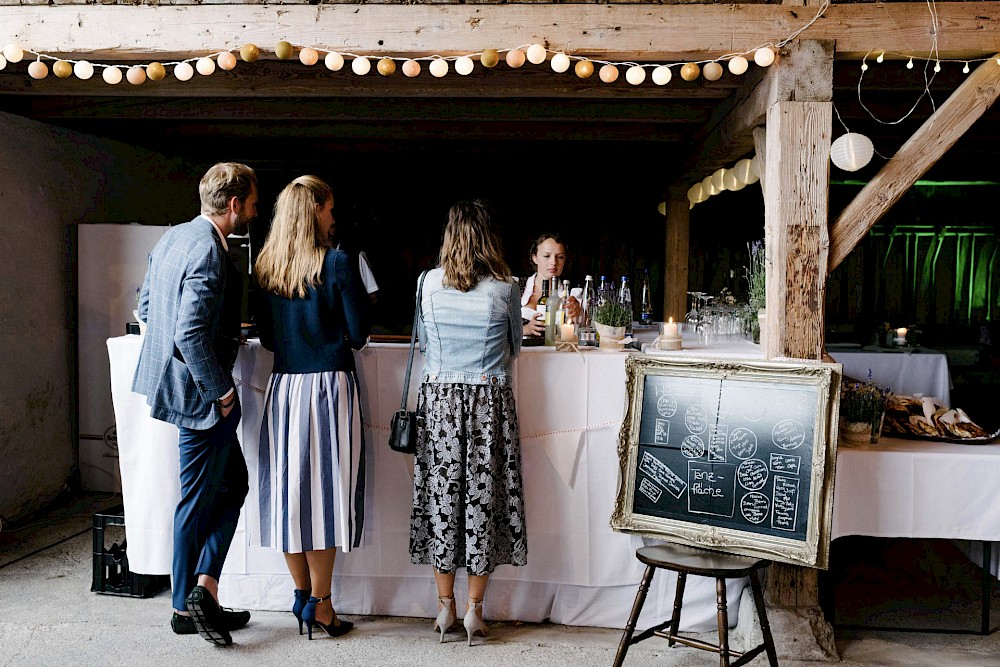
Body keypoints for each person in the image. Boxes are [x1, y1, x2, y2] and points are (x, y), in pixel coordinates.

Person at [132, 162, 258, 646]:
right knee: (197, 500)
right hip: (202, 398)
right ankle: (184, 606)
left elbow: (147, 307)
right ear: (233, 205)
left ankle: (201, 592)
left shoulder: (174, 238)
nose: (253, 210)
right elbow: (188, 331)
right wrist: (221, 391)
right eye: (251, 202)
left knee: (230, 486)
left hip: (181, 388)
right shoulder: (207, 249)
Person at [251, 175, 370, 640]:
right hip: (329, 389)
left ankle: (301, 595)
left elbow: (264, 337)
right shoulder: (336, 263)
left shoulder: (267, 266)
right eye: (330, 209)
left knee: (290, 497)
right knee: (324, 497)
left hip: (284, 387)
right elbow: (359, 334)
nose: (334, 218)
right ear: (316, 210)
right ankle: (322, 605)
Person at [409, 200, 527, 646]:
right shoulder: (505, 288)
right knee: (484, 503)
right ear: (488, 238)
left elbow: (422, 341)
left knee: (443, 502)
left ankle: (444, 607)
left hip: (439, 404)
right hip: (487, 405)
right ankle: (476, 611)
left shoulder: (427, 283)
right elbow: (515, 343)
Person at [520, 233, 582, 337]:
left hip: (558, 352)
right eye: (546, 256)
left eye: (560, 257)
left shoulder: (573, 293)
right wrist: (524, 330)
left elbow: (584, 331)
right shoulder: (517, 287)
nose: (553, 262)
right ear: (535, 258)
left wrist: (579, 315)